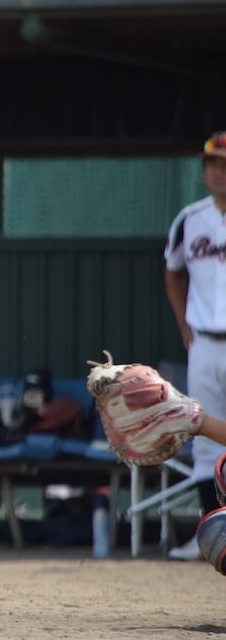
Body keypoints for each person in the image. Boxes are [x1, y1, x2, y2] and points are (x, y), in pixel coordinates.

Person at [164, 130, 226, 561]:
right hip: (203, 341)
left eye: (225, 164)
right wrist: (183, 321)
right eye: (212, 164)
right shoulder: (189, 218)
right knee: (203, 437)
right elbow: (172, 270)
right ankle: (212, 535)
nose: (219, 171)